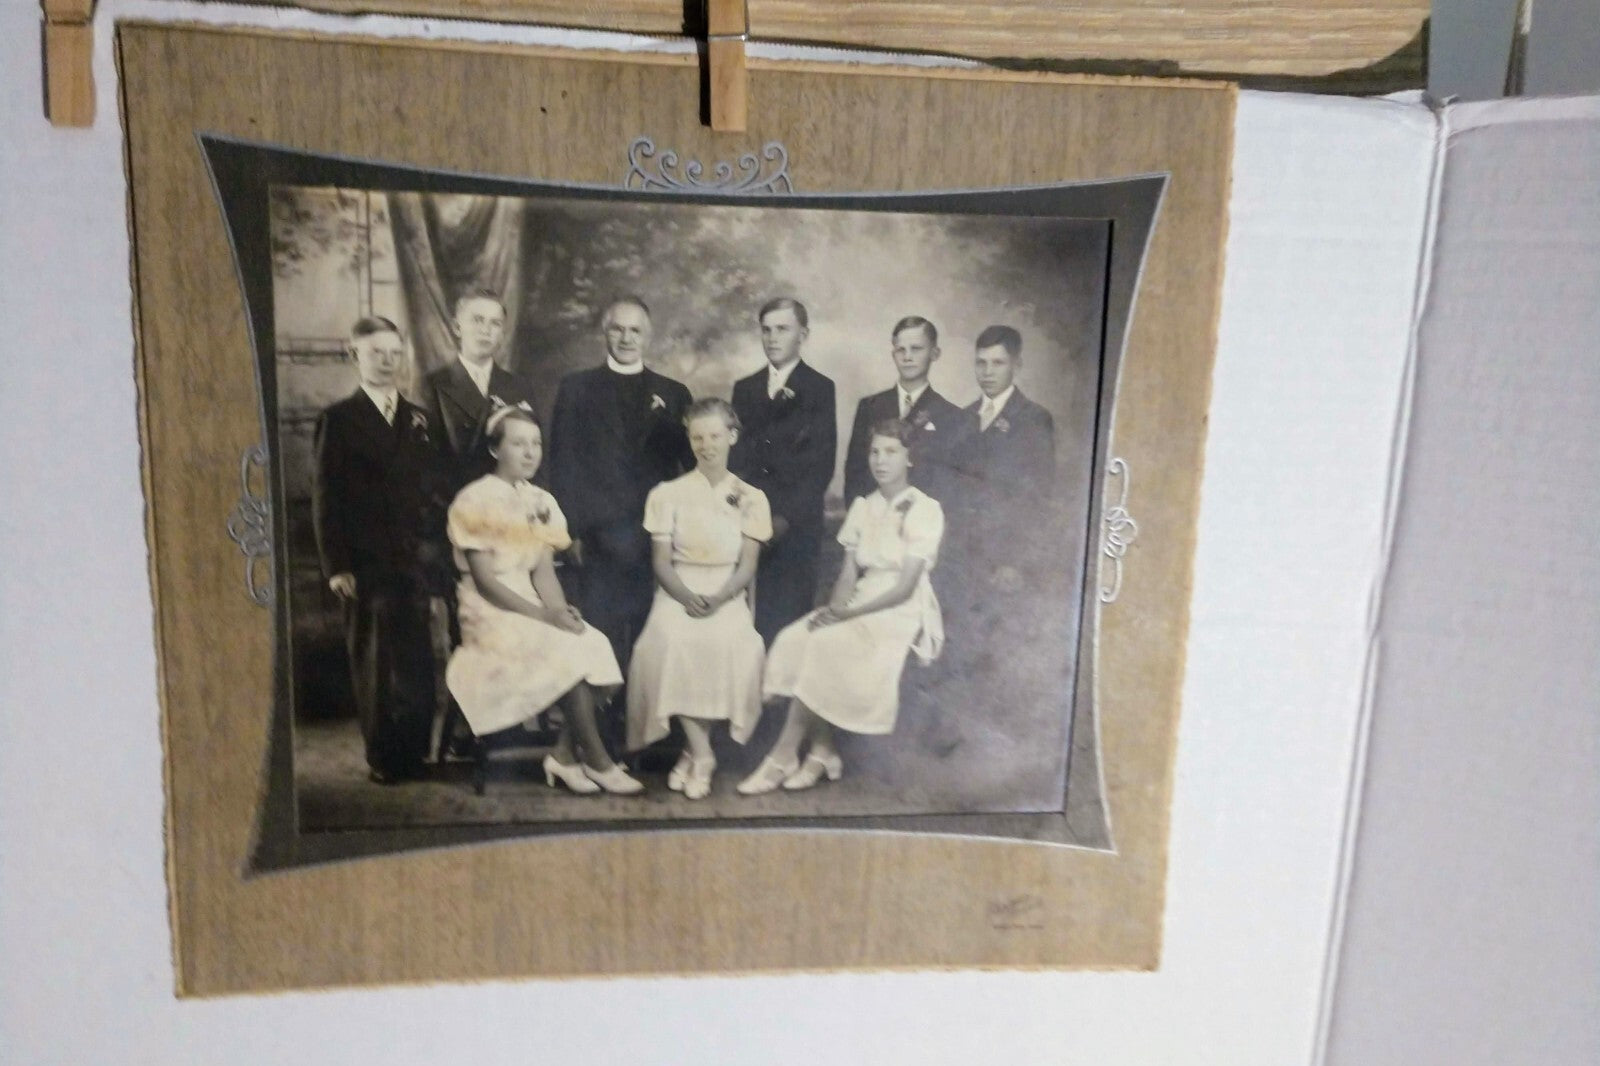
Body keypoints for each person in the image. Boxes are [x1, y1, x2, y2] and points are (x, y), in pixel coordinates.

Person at [443, 403, 643, 795]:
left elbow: (543, 570)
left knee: (592, 641)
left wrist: (556, 610)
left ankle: (564, 756)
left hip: (532, 601)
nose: (531, 452)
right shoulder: (473, 500)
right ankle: (599, 762)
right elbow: (484, 582)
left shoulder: (542, 501)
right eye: (519, 443)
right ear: (495, 448)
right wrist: (542, 616)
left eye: (535, 443)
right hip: (489, 610)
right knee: (564, 651)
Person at [738, 419, 945, 795]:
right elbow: (849, 574)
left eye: (891, 452)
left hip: (900, 610)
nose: (880, 461)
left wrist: (849, 615)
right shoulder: (864, 506)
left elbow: (904, 588)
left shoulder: (925, 509)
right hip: (862, 598)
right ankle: (822, 750)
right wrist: (832, 611)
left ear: (910, 458)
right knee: (797, 636)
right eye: (875, 452)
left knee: (825, 646)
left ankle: (783, 756)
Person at [312, 316, 453, 784]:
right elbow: (326, 499)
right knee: (376, 660)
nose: (388, 361)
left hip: (414, 561)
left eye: (395, 353)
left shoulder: (419, 419)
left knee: (417, 658)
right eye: (377, 353)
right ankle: (383, 758)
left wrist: (434, 550)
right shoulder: (339, 419)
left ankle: (415, 752)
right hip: (366, 562)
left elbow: (434, 489)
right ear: (355, 356)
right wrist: (337, 566)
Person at [625, 399, 772, 799]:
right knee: (665, 642)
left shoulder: (752, 496)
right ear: (689, 440)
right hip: (678, 589)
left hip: (728, 591)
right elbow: (661, 563)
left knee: (732, 643)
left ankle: (691, 753)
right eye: (698, 437)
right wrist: (688, 597)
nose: (707, 445)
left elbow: (747, 565)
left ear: (732, 437)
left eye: (715, 436)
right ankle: (705, 754)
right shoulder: (667, 493)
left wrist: (720, 597)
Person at [546, 296, 694, 668]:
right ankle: (606, 723)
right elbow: (562, 463)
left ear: (648, 336)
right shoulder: (576, 388)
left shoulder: (674, 394)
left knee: (653, 639)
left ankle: (645, 723)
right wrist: (572, 533)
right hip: (597, 539)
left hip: (655, 541)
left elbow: (689, 473)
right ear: (604, 332)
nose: (626, 338)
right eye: (618, 328)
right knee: (601, 638)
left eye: (635, 330)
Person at [729, 297, 838, 645]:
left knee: (787, 620)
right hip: (749, 521)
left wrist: (782, 519)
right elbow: (738, 459)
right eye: (767, 330)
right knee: (740, 613)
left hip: (795, 524)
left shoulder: (820, 389)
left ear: (803, 334)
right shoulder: (745, 389)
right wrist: (745, 514)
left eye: (782, 329)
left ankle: (778, 695)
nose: (773, 338)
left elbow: (820, 466)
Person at [418, 286, 541, 492]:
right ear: (457, 327)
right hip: (455, 507)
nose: (486, 330)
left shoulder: (519, 387)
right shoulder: (432, 386)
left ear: (502, 334)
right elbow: (424, 466)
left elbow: (536, 457)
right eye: (477, 320)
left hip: (511, 508)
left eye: (495, 324)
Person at [841, 316, 961, 504]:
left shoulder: (950, 415)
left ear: (934, 353)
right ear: (893, 354)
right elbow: (854, 473)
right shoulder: (870, 406)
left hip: (924, 523)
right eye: (901, 350)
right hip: (874, 520)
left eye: (916, 349)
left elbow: (949, 483)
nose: (907, 357)